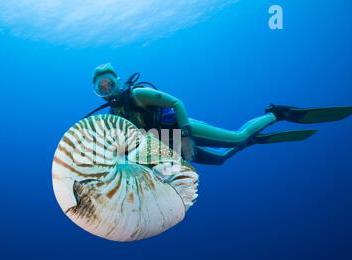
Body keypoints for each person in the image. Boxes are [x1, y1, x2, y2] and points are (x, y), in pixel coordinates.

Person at [87, 63, 352, 165]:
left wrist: (187, 133)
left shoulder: (138, 95)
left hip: (183, 129)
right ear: (97, 92)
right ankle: (253, 140)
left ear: (119, 80)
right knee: (221, 160)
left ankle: (277, 114)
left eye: (109, 81)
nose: (107, 87)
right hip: (171, 144)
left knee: (235, 137)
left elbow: (177, 102)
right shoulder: (115, 114)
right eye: (101, 87)